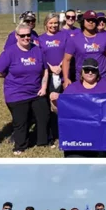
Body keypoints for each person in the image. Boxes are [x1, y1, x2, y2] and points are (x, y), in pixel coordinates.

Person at [0, 23, 50, 155]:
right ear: (16, 36)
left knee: (44, 115)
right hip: (16, 93)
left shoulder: (37, 50)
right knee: (21, 122)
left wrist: (44, 87)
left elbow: (45, 69)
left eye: (28, 35)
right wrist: (11, 77)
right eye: (22, 35)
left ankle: (43, 141)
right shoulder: (10, 52)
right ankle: (20, 146)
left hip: (36, 91)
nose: (26, 38)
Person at [62, 10, 106, 91]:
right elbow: (66, 60)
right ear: (83, 21)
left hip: (101, 78)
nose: (91, 22)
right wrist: (66, 78)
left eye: (93, 20)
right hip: (81, 80)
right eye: (88, 20)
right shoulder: (74, 39)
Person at [39, 13, 68, 143]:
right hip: (48, 75)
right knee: (50, 106)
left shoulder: (64, 35)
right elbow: (40, 56)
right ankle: (51, 134)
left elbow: (68, 53)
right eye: (51, 23)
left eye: (56, 23)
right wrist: (51, 67)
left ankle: (64, 132)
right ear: (46, 24)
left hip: (62, 73)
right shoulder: (41, 39)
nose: (53, 25)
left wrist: (60, 66)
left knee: (62, 105)